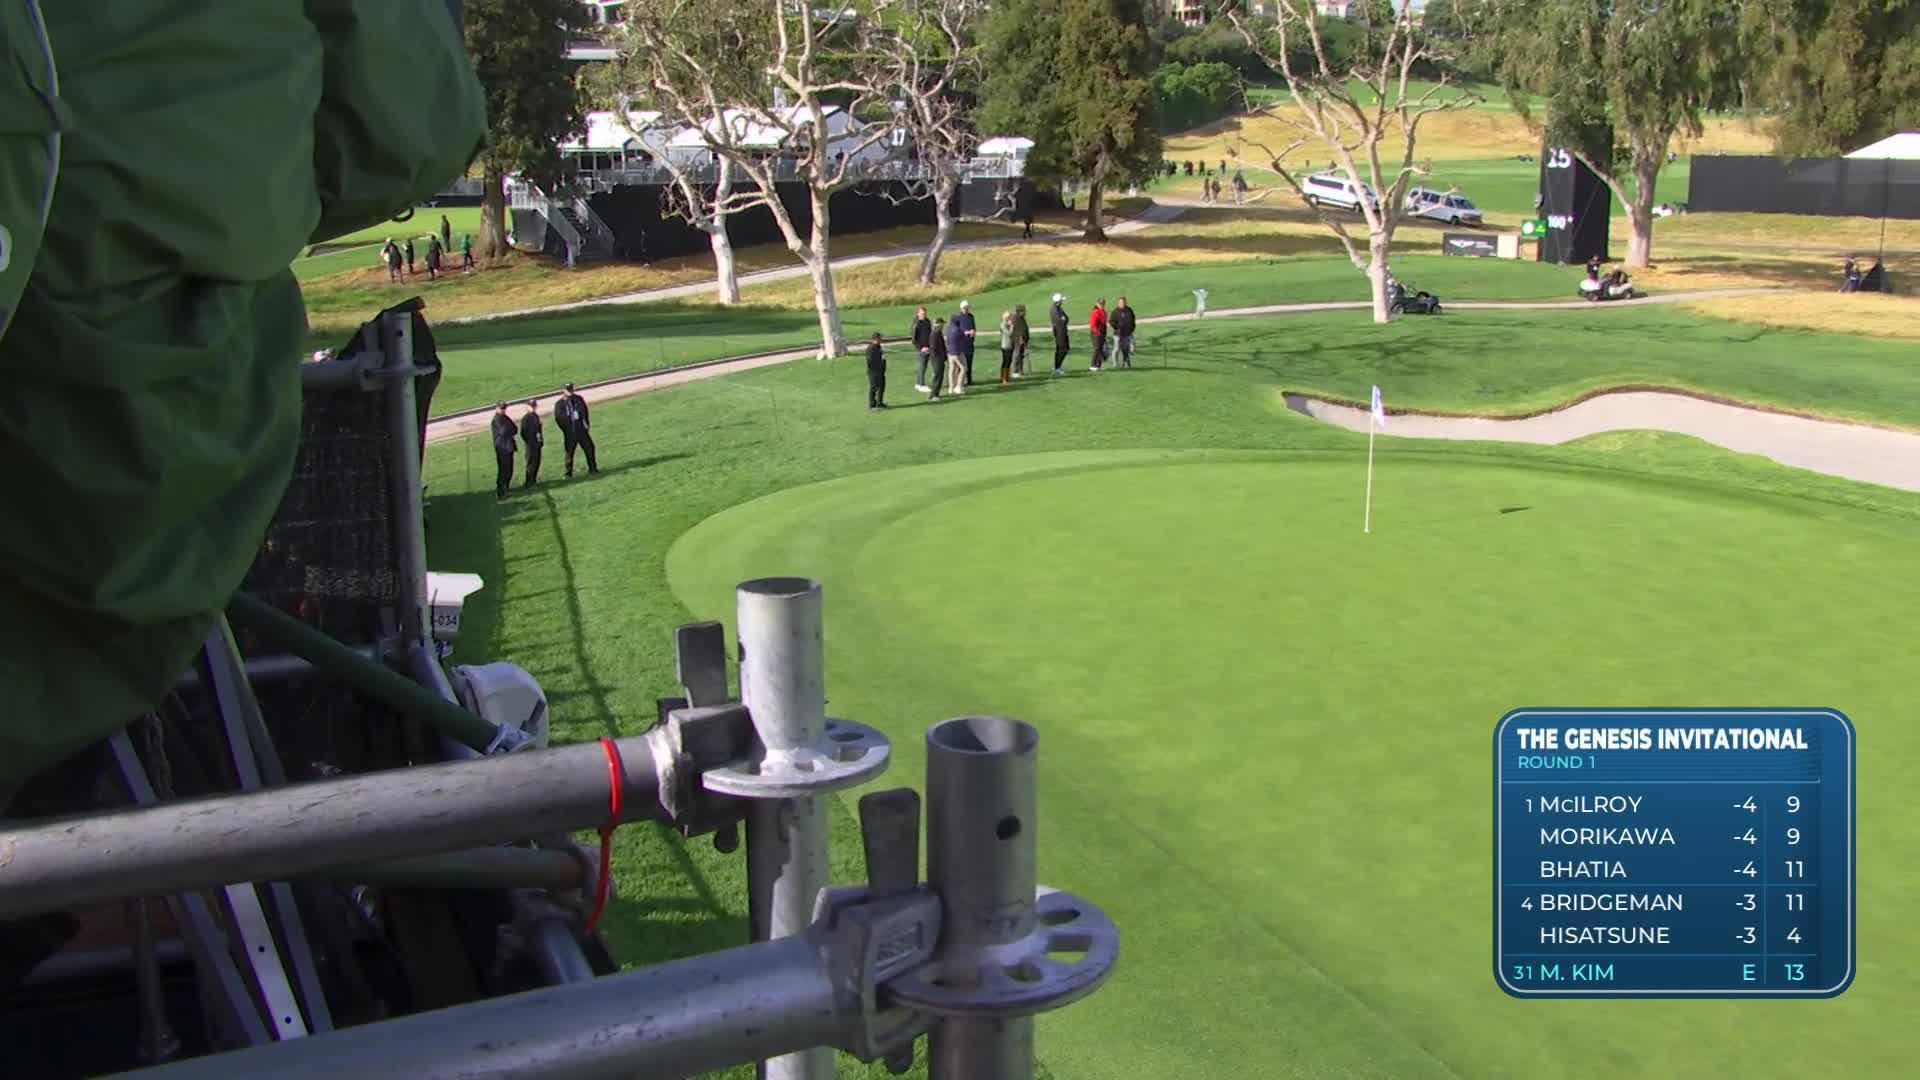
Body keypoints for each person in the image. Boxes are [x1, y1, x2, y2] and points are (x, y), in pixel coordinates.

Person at [555, 382, 599, 477]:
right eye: (568, 390)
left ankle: (593, 468)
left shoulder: (578, 399)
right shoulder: (560, 404)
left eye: (571, 389)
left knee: (590, 448)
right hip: (570, 432)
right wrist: (566, 429)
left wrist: (586, 424)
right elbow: (558, 418)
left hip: (581, 430)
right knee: (569, 452)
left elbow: (585, 412)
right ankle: (568, 473)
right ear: (563, 391)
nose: (570, 392)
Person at [491, 402, 518, 500]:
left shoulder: (505, 417)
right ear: (497, 408)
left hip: (509, 447)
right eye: (501, 408)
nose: (503, 410)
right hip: (502, 448)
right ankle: (500, 491)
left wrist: (509, 429)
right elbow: (503, 431)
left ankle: (507, 487)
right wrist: (509, 429)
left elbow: (515, 429)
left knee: (509, 469)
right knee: (503, 470)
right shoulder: (496, 419)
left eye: (504, 408)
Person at [519, 399, 544, 488]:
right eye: (531, 406)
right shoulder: (525, 418)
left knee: (537, 462)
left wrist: (541, 440)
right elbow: (523, 433)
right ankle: (528, 481)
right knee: (530, 463)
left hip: (537, 443)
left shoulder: (536, 416)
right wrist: (530, 442)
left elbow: (539, 430)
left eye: (534, 406)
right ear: (527, 407)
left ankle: (533, 479)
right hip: (530, 445)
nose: (533, 407)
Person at [952, 300, 978, 385]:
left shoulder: (971, 316)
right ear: (961, 308)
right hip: (962, 344)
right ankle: (960, 382)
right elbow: (956, 330)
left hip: (970, 343)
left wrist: (973, 332)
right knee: (961, 365)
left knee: (969, 363)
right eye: (964, 308)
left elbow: (974, 327)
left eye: (967, 308)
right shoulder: (958, 317)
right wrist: (965, 332)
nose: (966, 309)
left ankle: (969, 380)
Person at [943, 314, 968, 395]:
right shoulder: (958, 330)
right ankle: (958, 387)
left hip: (949, 353)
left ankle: (951, 388)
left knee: (951, 369)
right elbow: (964, 338)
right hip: (957, 353)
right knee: (963, 368)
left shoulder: (948, 329)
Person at [911, 306, 935, 391]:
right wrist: (920, 348)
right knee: (922, 366)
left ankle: (918, 383)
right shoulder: (916, 323)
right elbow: (914, 339)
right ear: (918, 313)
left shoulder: (927, 321)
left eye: (925, 313)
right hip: (921, 349)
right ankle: (921, 384)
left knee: (924, 366)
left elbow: (930, 333)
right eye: (922, 313)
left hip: (928, 347)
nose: (924, 315)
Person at [1111, 296, 1136, 368]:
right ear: (1118, 303)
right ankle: (1115, 364)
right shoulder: (1115, 311)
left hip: (1127, 334)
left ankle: (1126, 364)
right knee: (1116, 349)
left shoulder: (1129, 310)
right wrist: (1117, 327)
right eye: (1121, 302)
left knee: (1126, 349)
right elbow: (1111, 321)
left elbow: (1133, 320)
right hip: (1118, 334)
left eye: (1124, 302)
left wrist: (1132, 328)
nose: (1122, 303)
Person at [865, 332, 888, 410]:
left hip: (881, 371)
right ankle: (872, 405)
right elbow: (870, 362)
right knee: (873, 388)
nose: (881, 339)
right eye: (880, 338)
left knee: (881, 387)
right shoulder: (871, 349)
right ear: (876, 339)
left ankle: (880, 403)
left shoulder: (879, 347)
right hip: (874, 372)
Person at [1049, 293, 1071, 375]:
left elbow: (1066, 318)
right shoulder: (1054, 310)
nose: (1062, 301)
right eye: (1061, 300)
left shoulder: (1059, 308)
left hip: (1063, 331)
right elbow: (1060, 321)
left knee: (1065, 349)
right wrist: (1063, 319)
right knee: (1062, 349)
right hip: (1059, 332)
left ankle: (1057, 366)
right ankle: (1057, 367)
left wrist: (1064, 319)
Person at [928, 317, 950, 399]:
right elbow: (934, 349)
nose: (943, 326)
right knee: (937, 377)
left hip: (940, 358)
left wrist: (945, 356)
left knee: (940, 377)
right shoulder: (934, 334)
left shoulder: (939, 333)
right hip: (936, 359)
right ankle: (933, 395)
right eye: (942, 324)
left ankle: (936, 393)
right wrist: (941, 357)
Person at [1087, 298, 1108, 373]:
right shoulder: (1095, 312)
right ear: (1097, 303)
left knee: (1100, 349)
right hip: (1096, 334)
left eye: (1103, 304)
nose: (1102, 305)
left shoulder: (1103, 312)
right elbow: (1093, 325)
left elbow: (1104, 322)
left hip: (1102, 333)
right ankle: (1092, 365)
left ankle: (1098, 365)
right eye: (1100, 304)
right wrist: (1098, 332)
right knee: (1097, 348)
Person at [1010, 303, 1031, 377]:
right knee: (1017, 355)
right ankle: (1015, 371)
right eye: (1024, 311)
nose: (1025, 312)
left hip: (1022, 341)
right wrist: (1020, 338)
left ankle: (1020, 370)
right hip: (1018, 341)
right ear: (1020, 311)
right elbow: (1016, 330)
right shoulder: (1016, 318)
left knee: (1021, 356)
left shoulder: (1021, 318)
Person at [997, 310, 1016, 385]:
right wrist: (1011, 326)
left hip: (1010, 345)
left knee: (1009, 361)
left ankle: (1007, 377)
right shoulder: (1003, 325)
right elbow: (1009, 334)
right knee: (1006, 362)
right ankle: (1003, 378)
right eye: (1010, 317)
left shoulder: (1007, 324)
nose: (1011, 318)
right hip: (1005, 346)